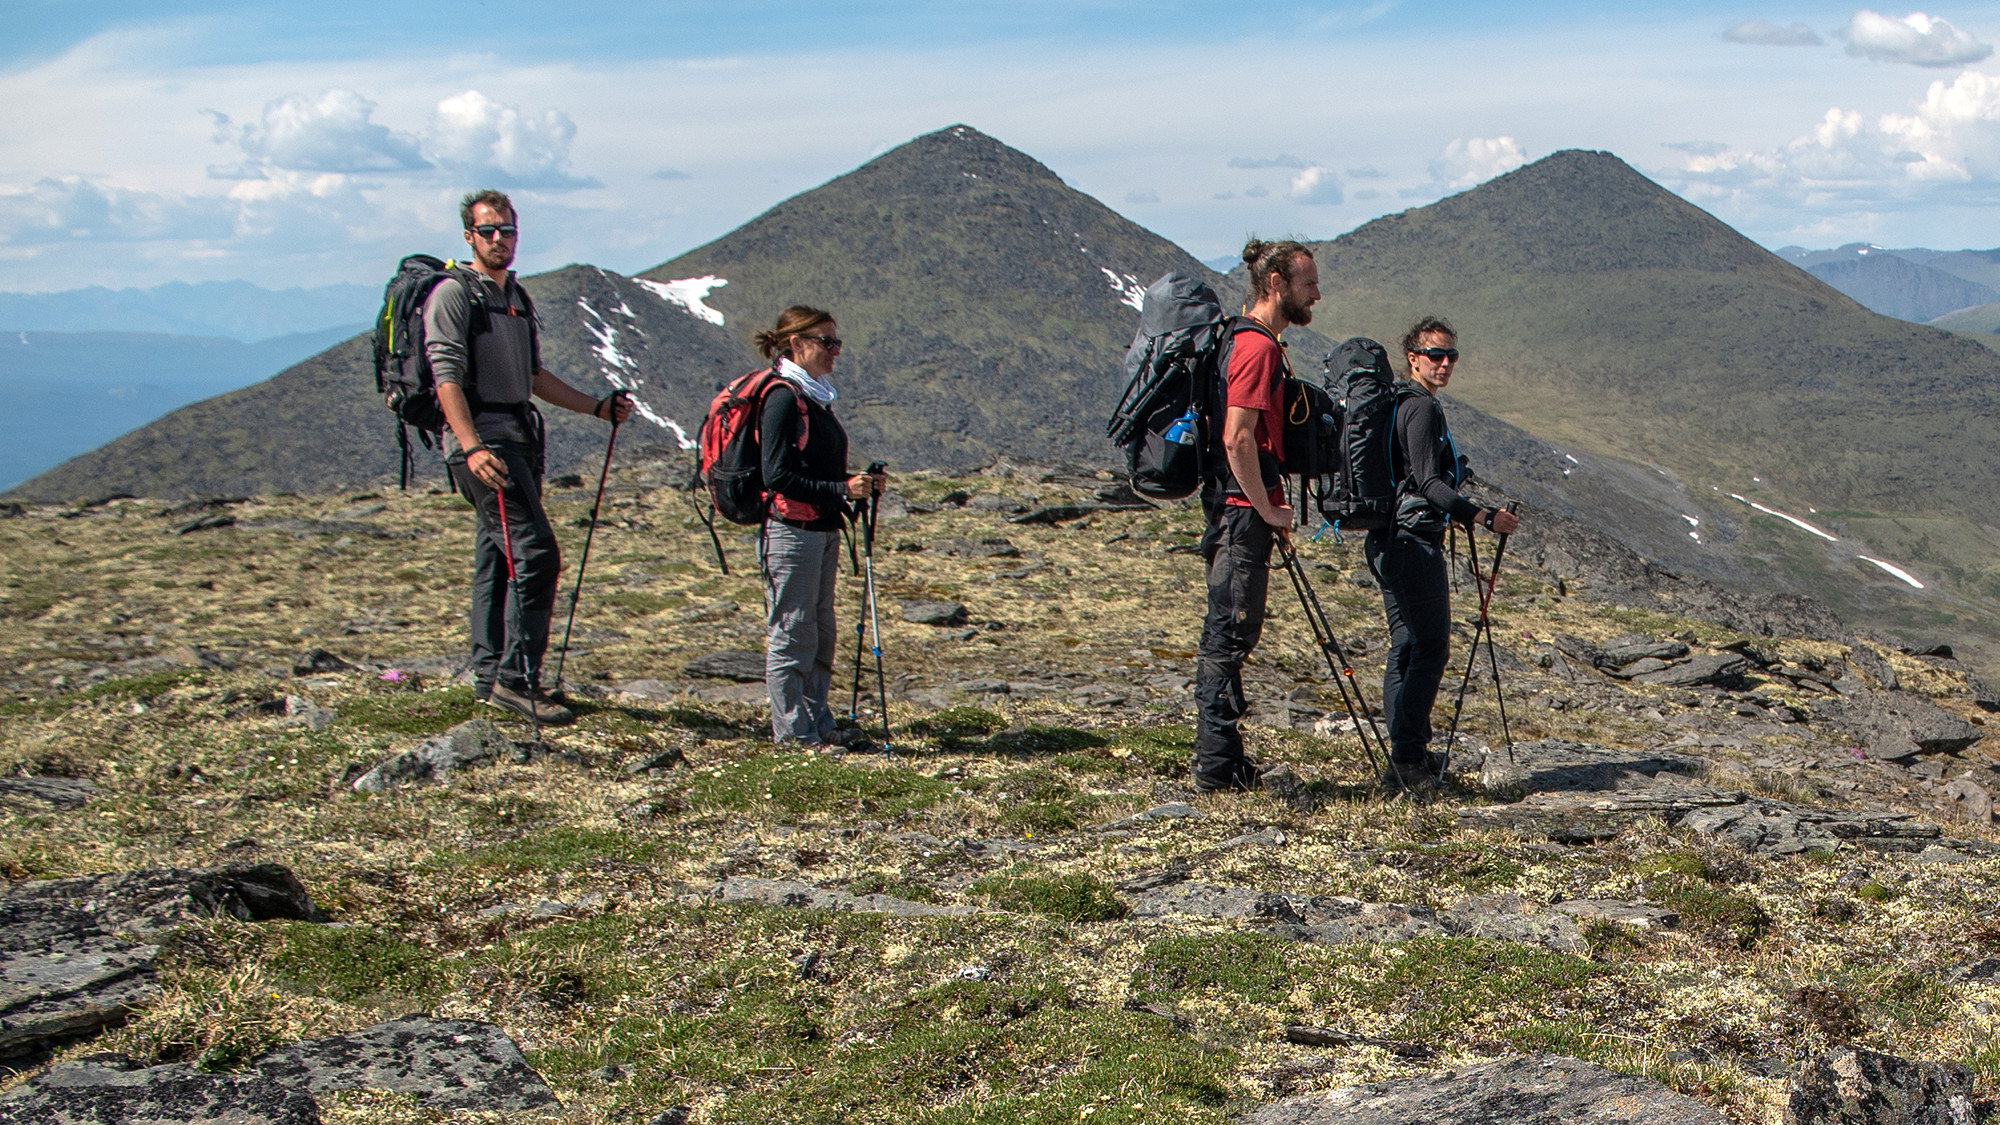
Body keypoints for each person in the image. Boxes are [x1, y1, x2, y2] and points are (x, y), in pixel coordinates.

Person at [428, 188, 632, 726]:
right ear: (469, 237)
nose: (500, 239)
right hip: (486, 446)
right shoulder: (454, 295)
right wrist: (471, 446)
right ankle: (517, 683)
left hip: (518, 440)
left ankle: (490, 677)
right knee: (535, 553)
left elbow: (534, 376)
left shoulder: (515, 296)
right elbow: (445, 377)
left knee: (498, 558)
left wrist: (596, 408)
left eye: (507, 230)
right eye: (488, 231)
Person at [1368, 316, 1520, 788]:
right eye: (1435, 354)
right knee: (1430, 648)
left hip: (1387, 540)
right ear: (1413, 358)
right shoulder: (1421, 408)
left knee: (1407, 645)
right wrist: (1482, 516)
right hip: (1412, 544)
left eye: (1451, 355)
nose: (1445, 363)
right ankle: (1408, 759)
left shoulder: (1398, 402)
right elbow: (1429, 483)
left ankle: (1405, 754)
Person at [1192, 239, 1320, 792]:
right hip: (1241, 513)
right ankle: (1216, 767)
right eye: (1308, 283)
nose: (1317, 294)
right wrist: (1267, 508)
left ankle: (1224, 759)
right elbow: (1237, 437)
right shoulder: (1256, 348)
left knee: (1231, 629)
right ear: (1276, 284)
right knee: (1230, 632)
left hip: (1237, 508)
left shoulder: (1243, 338)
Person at [752, 306, 887, 749]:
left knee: (820, 631)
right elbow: (776, 475)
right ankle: (794, 734)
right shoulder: (782, 398)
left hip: (819, 530)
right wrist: (843, 488)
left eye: (836, 341)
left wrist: (853, 485)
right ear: (797, 344)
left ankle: (817, 722)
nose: (835, 350)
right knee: (793, 632)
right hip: (791, 533)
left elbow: (811, 469)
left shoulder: (815, 398)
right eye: (826, 342)